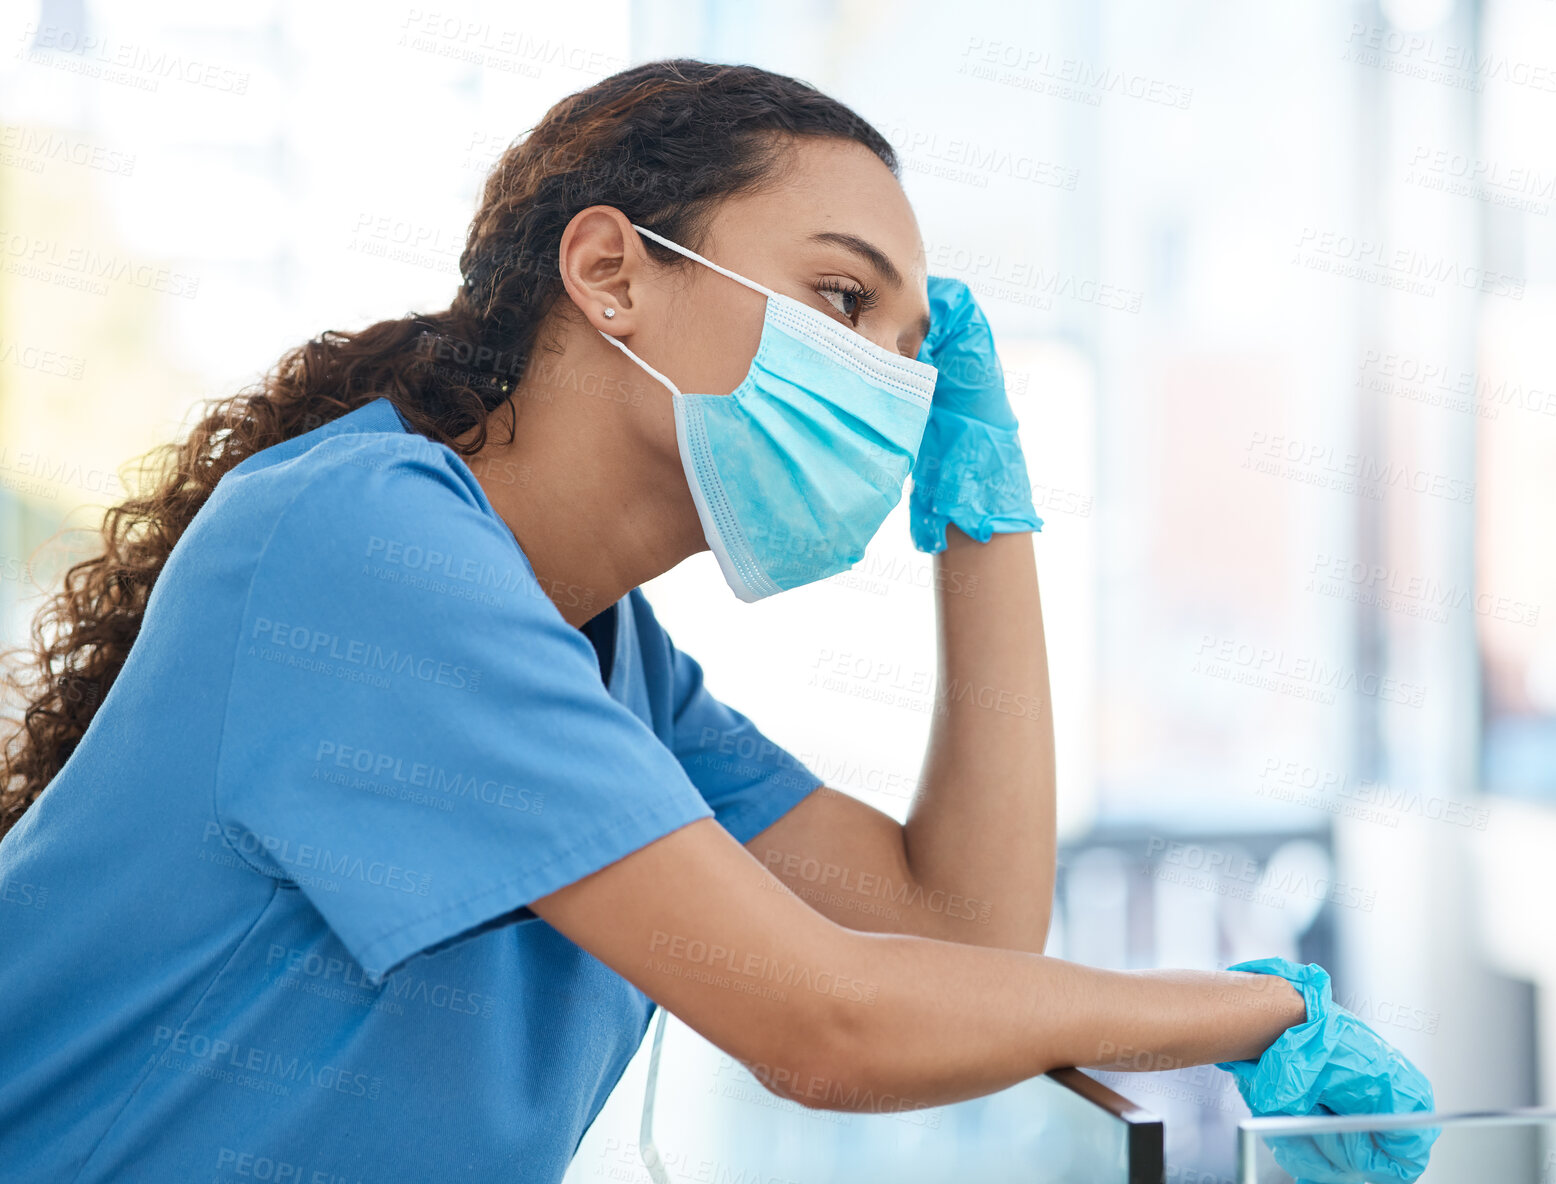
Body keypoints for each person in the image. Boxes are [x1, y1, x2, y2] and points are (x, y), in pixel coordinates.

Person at [0, 59, 1433, 1183]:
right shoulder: (361, 542)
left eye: (909, 349)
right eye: (837, 297)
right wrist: (1253, 1019)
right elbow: (823, 1023)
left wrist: (985, 521)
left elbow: (964, 935)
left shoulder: (617, 667)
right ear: (611, 273)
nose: (883, 379)